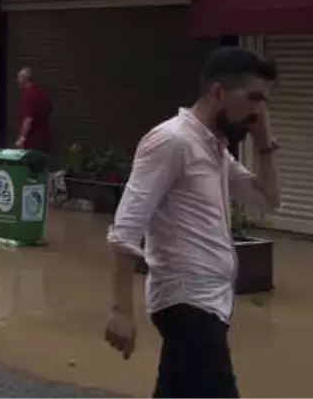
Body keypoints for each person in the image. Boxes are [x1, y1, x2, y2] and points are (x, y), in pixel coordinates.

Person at [104, 47, 281, 399]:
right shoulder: (171, 141)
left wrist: (264, 144)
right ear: (218, 93)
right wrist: (121, 310)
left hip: (211, 305)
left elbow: (266, 199)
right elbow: (125, 229)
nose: (258, 112)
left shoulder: (212, 148)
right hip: (186, 306)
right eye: (253, 99)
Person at [15, 67, 51, 152]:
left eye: (19, 78)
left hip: (32, 142)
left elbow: (28, 119)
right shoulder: (42, 93)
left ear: (25, 79)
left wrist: (22, 138)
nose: (17, 81)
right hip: (43, 140)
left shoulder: (29, 95)